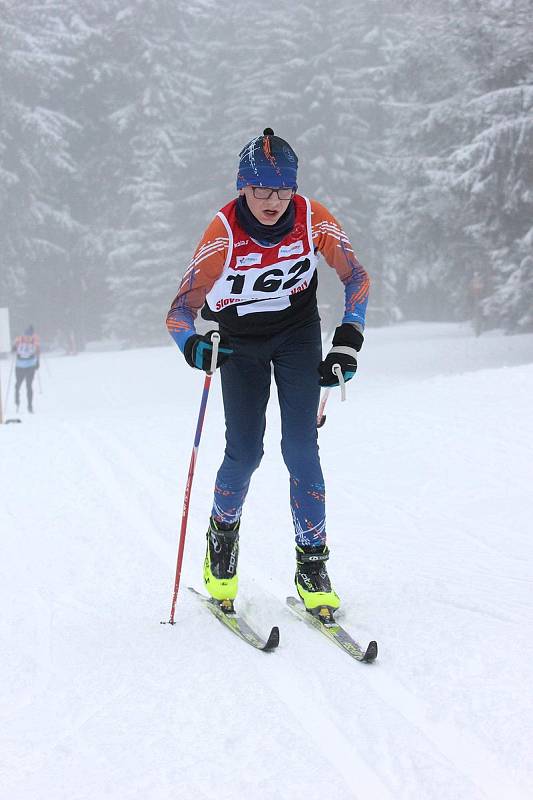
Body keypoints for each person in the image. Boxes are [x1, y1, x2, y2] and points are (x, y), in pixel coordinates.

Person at [166, 128, 370, 617]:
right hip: (239, 343)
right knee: (246, 452)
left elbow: (356, 276)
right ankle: (221, 547)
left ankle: (312, 566)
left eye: (282, 190)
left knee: (300, 447)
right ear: (243, 187)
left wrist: (347, 341)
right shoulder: (222, 234)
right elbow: (178, 313)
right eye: (261, 190)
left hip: (297, 334)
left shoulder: (312, 218)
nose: (273, 201)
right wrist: (194, 348)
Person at [14, 325, 40, 413]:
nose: (27, 338)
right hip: (19, 367)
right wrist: (14, 349)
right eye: (26, 336)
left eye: (29, 336)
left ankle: (30, 406)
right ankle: (17, 400)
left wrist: (37, 362)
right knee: (17, 385)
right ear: (23, 335)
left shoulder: (34, 341)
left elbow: (37, 351)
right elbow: (13, 349)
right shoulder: (19, 340)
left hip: (30, 366)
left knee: (29, 386)